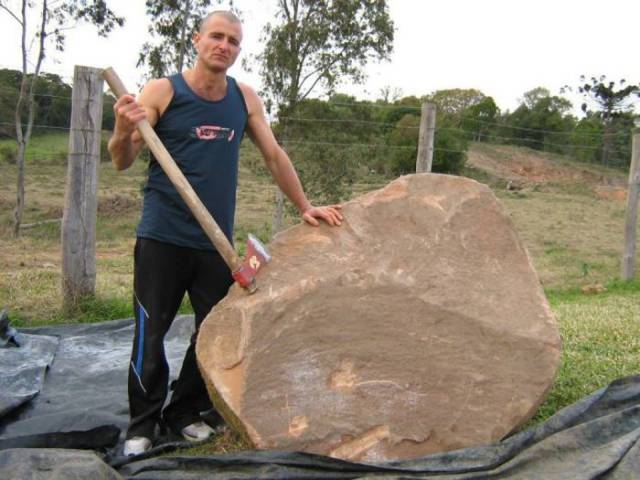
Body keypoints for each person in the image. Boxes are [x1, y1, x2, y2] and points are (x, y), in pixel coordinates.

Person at [108, 10, 343, 456]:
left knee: (212, 329)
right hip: (162, 236)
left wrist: (305, 205)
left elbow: (273, 155)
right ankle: (142, 423)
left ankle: (184, 412)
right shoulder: (163, 91)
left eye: (233, 41)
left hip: (214, 241)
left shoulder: (244, 98)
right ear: (197, 40)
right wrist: (122, 129)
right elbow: (121, 160)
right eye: (216, 36)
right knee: (149, 330)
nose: (224, 45)